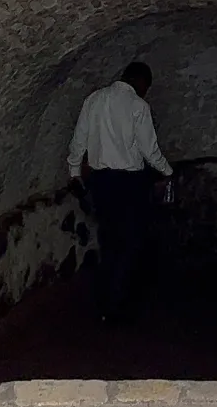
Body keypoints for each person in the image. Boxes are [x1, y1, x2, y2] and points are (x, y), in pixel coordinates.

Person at [68, 60, 173, 324]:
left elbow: (79, 139)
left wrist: (73, 172)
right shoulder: (139, 106)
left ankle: (105, 301)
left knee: (109, 238)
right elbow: (149, 150)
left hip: (101, 181)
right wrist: (167, 171)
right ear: (141, 82)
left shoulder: (94, 99)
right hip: (130, 183)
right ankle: (118, 303)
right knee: (131, 242)